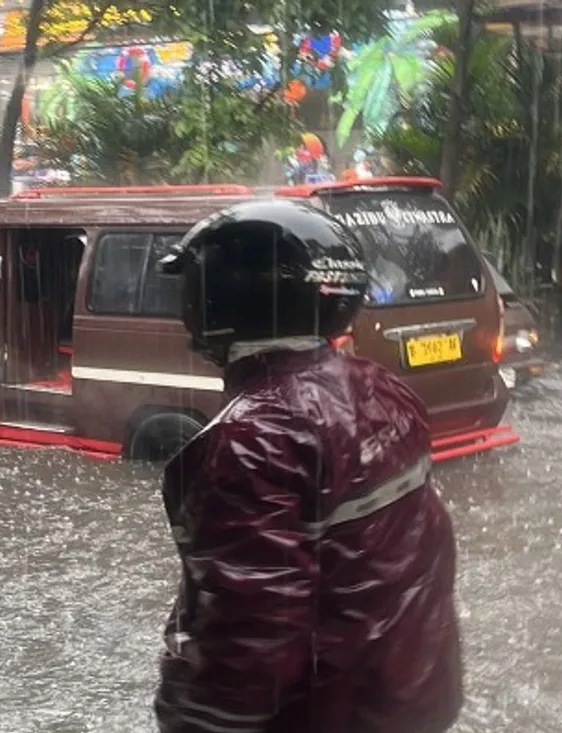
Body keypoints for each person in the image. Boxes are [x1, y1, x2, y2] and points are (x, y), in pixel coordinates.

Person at [153, 200, 463, 733]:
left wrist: (192, 722)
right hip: (416, 696)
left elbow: (250, 642)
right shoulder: (384, 389)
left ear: (220, 300)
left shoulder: (252, 438)